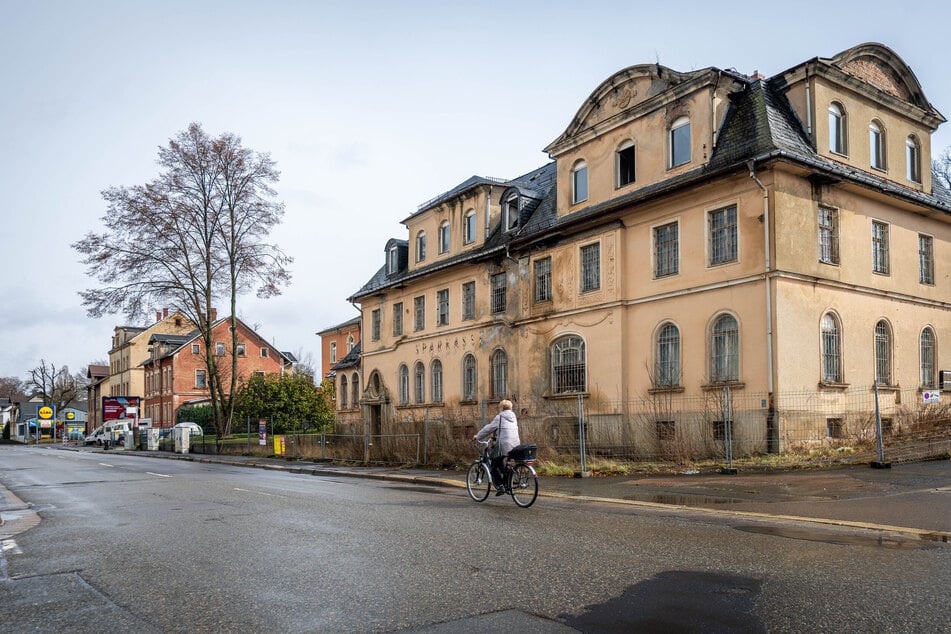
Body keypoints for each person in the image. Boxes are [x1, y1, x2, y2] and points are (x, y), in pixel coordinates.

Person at [474, 399, 520, 495]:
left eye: (499, 407)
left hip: (504, 444)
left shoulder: (500, 417)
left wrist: (478, 436)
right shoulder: (514, 416)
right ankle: (508, 480)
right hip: (515, 444)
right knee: (499, 460)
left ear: (502, 408)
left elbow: (489, 428)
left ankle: (500, 486)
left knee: (493, 465)